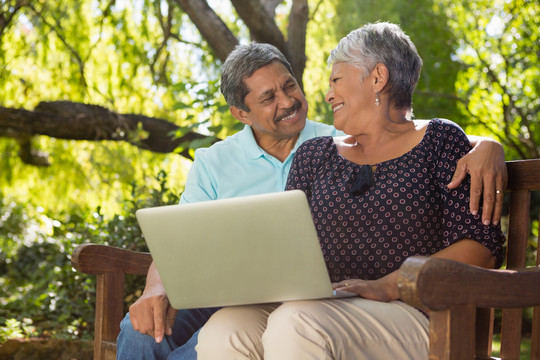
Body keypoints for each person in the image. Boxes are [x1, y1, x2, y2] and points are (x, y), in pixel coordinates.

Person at [116, 41, 506, 359]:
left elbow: (480, 243)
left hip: (411, 309)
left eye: (335, 79)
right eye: (268, 97)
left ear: (378, 77)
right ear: (241, 113)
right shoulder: (318, 153)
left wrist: (491, 144)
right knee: (224, 329)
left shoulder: (438, 140)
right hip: (310, 300)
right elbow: (275, 245)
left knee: (294, 322)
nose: (324, 94)